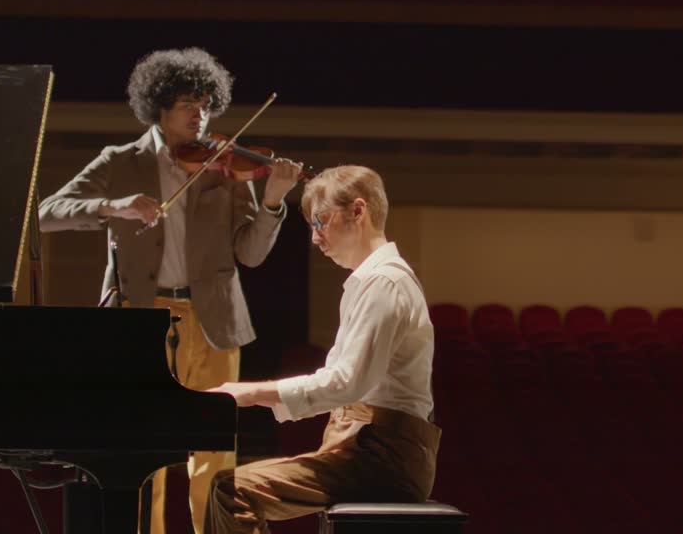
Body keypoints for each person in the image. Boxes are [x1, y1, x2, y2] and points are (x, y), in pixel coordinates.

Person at [38, 47, 304, 534]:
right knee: (147, 447)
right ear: (158, 107)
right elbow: (47, 213)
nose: (199, 116)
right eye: (188, 105)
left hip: (213, 317)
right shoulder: (120, 161)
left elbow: (250, 254)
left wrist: (270, 204)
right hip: (141, 317)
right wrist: (113, 205)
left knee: (215, 451)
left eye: (205, 105)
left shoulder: (223, 168)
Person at [202, 165, 439, 534]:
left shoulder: (385, 283)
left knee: (229, 489)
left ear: (358, 211)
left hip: (384, 456)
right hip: (367, 447)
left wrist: (250, 392)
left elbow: (347, 383)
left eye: (321, 222)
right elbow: (341, 384)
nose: (315, 238)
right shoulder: (372, 282)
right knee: (229, 486)